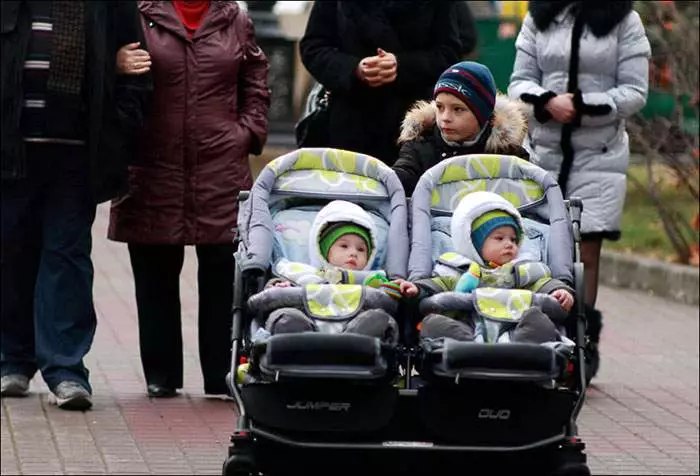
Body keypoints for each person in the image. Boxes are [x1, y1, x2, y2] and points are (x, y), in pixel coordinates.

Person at [108, 0, 270, 398]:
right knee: (154, 270)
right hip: (153, 163)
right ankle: (161, 374)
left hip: (220, 165)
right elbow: (109, 68)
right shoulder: (139, 16)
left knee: (222, 272)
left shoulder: (235, 19)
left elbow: (255, 78)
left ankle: (220, 373)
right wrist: (116, 69)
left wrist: (248, 131)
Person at [0, 0, 151, 410]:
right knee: (10, 253)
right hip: (10, 150)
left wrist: (118, 133)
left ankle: (65, 369)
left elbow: (137, 70)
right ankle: (11, 360)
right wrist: (107, 64)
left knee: (66, 257)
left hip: (76, 155)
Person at [507, 1, 650, 377]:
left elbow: (635, 91)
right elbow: (518, 83)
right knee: (537, 245)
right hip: (543, 155)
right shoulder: (539, 16)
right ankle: (535, 336)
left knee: (587, 249)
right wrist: (547, 103)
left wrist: (584, 106)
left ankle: (582, 342)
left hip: (600, 156)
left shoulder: (624, 19)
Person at [299, 1, 462, 165]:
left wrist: (402, 66)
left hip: (414, 125)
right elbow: (313, 47)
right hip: (349, 124)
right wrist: (354, 69)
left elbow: (449, 53)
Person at [398, 192, 575, 343]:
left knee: (538, 320)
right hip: (468, 328)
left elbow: (542, 284)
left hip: (514, 327)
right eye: (499, 238)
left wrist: (558, 291)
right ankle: (469, 347)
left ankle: (520, 346)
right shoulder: (458, 269)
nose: (509, 244)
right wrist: (417, 289)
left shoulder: (523, 270)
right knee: (432, 323)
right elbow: (438, 284)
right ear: (474, 244)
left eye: (514, 240)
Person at [263, 200, 399, 344]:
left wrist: (395, 289)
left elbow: (388, 295)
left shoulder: (371, 280)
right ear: (323, 250)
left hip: (355, 332)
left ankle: (357, 346)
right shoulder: (303, 272)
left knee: (377, 319)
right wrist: (279, 286)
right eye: (344, 246)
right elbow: (274, 290)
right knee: (286, 317)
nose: (353, 253)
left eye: (361, 249)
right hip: (307, 325)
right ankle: (300, 344)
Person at [392, 61, 531, 196]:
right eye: (440, 107)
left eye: (458, 109)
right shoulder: (419, 146)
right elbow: (401, 177)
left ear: (482, 114)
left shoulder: (509, 154)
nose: (445, 117)